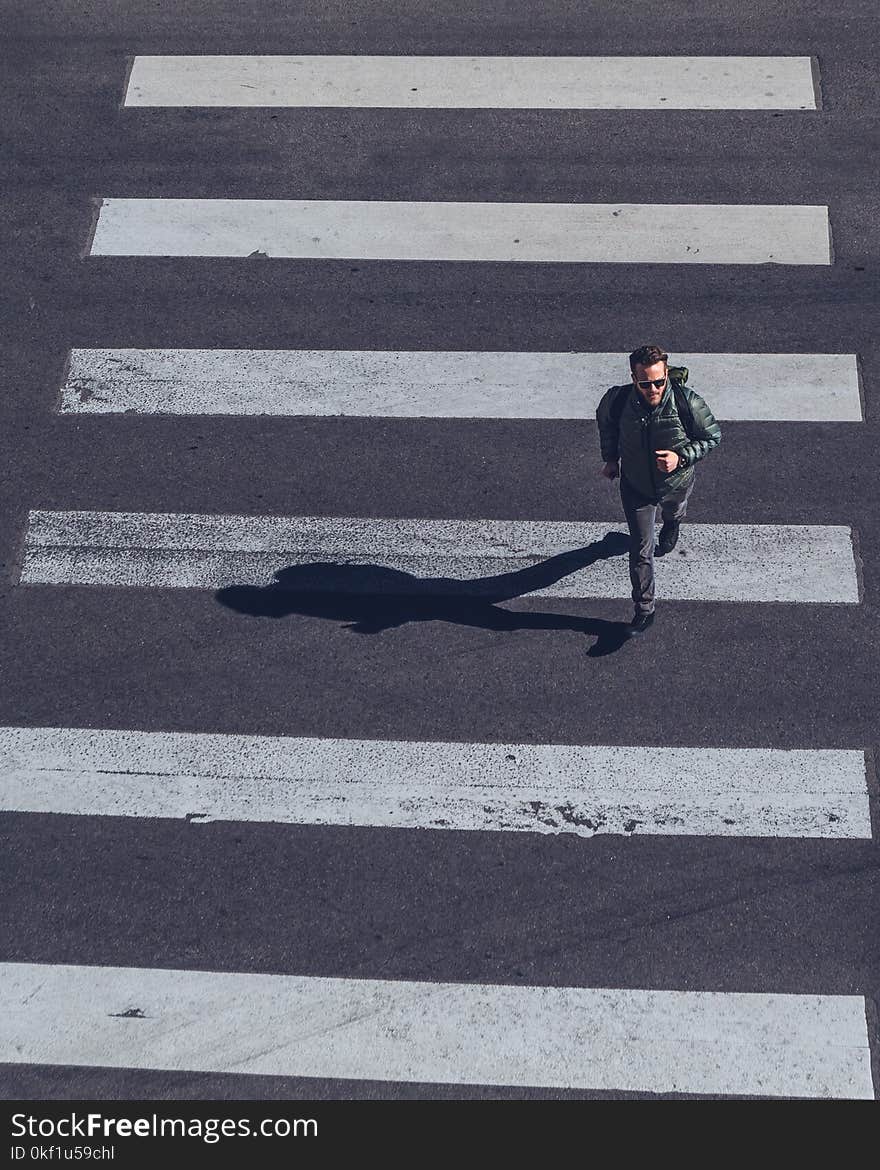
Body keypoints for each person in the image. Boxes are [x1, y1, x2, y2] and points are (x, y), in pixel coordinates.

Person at [596, 344, 722, 635]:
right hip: (636, 488)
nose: (653, 388)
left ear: (666, 375)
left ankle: (673, 521)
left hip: (676, 483)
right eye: (645, 383)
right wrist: (610, 458)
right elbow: (606, 423)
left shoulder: (686, 402)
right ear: (633, 378)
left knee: (674, 509)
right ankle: (644, 609)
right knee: (641, 549)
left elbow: (713, 436)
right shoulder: (618, 401)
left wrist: (681, 458)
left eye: (659, 381)